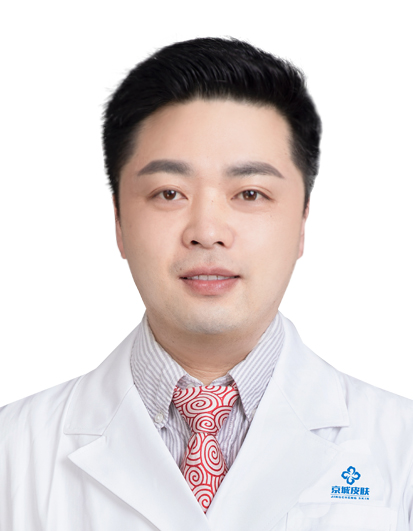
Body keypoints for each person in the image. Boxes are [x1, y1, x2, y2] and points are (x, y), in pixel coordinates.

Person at [1, 37, 412, 531]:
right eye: (168, 193)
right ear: (119, 222)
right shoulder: (13, 452)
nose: (207, 231)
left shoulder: (400, 446)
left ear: (303, 222)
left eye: (250, 193)